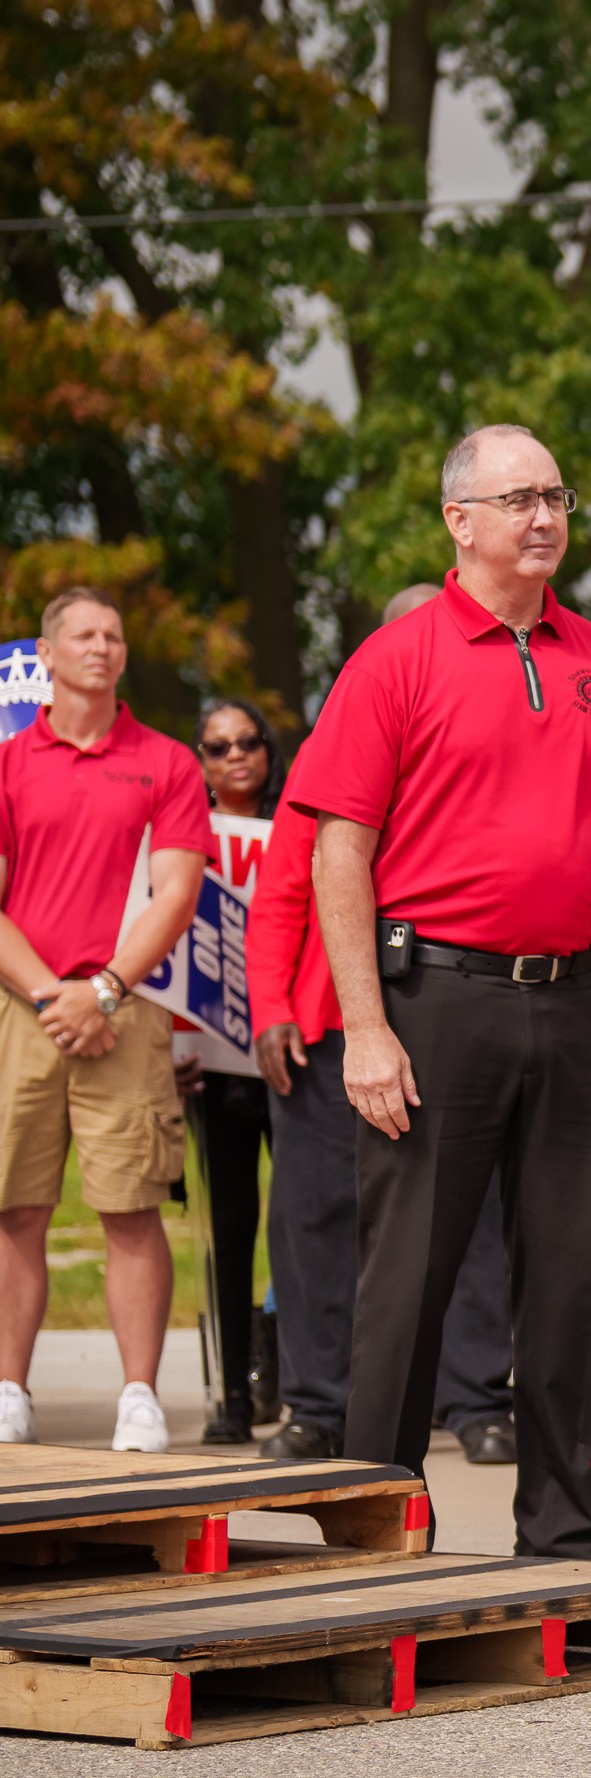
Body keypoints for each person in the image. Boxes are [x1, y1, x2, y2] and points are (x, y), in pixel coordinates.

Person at [285, 424, 591, 1557]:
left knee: (572, 1278)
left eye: (557, 495)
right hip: (433, 1000)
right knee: (408, 1278)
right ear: (459, 520)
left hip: (578, 1000)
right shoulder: (398, 658)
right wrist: (363, 1025)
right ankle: (373, 1527)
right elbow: (338, 851)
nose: (546, 516)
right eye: (520, 498)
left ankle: (562, 1532)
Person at [245, 585, 519, 1465]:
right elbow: (284, 889)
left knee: (467, 1217)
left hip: (454, 1017)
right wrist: (272, 1007)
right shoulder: (335, 750)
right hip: (331, 1025)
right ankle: (317, 1406)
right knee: (315, 1215)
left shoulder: (483, 753)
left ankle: (476, 1400)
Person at [0, 588, 209, 1451]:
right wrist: (56, 993)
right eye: (84, 635)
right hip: (24, 1009)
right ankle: (9, 1389)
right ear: (45, 656)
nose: (103, 646)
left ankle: (138, 1397)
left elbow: (177, 894)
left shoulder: (166, 761)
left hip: (126, 1014)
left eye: (115, 635)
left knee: (131, 1209)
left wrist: (106, 992)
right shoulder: (9, 764)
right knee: (14, 1208)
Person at [190, 698, 283, 1444]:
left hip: (291, 1056)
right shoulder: (181, 836)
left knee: (300, 1227)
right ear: (202, 760)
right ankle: (230, 1397)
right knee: (229, 1226)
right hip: (212, 1063)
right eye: (218, 748)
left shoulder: (298, 826)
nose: (235, 756)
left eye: (248, 742)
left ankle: (285, 1374)